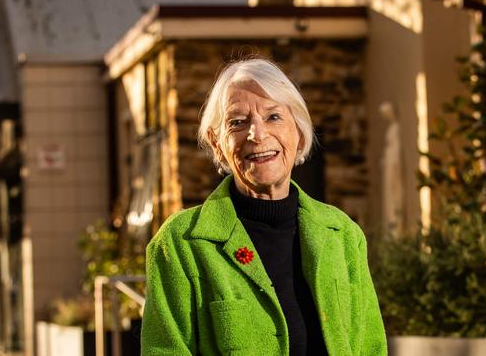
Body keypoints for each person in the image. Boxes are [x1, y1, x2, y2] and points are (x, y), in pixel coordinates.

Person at [140, 59, 386, 355]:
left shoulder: (343, 235)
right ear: (217, 143)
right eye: (237, 123)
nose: (257, 134)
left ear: (299, 132)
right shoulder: (180, 245)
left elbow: (371, 346)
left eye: (273, 117)